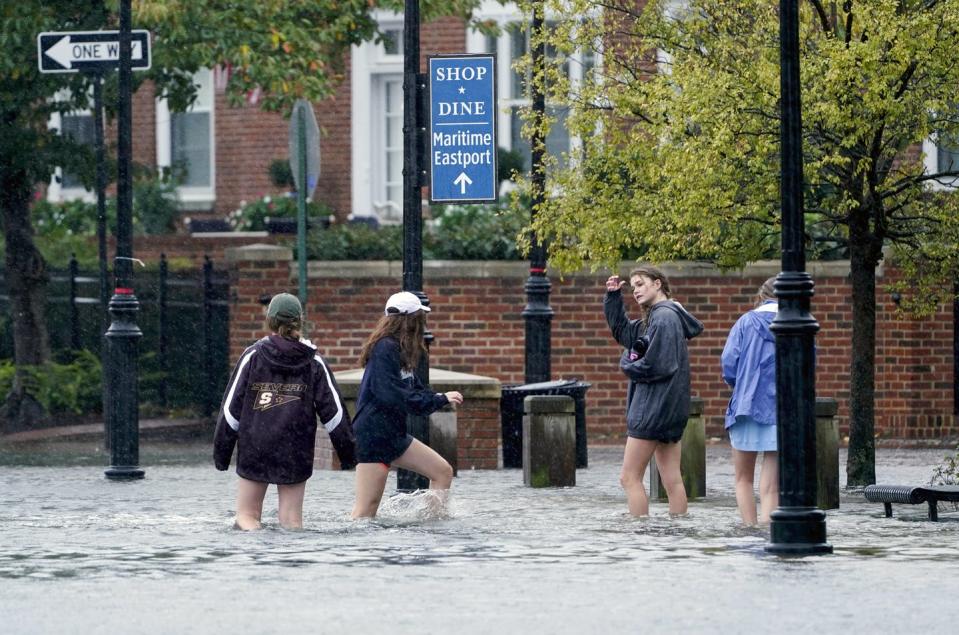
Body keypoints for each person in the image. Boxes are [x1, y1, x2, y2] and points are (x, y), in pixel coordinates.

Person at [213, 293, 356, 530]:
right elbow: (335, 413)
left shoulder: (253, 356)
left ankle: (257, 551)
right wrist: (348, 454)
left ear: (270, 320)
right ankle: (289, 561)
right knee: (291, 520)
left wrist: (222, 455)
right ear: (299, 321)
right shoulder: (313, 362)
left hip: (256, 443)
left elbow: (230, 410)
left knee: (247, 515)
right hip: (295, 447)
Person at [350, 291, 463, 519]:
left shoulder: (400, 351)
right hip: (374, 435)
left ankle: (431, 524)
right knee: (365, 511)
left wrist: (439, 397)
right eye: (421, 318)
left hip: (394, 434)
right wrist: (439, 399)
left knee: (442, 472)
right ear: (411, 320)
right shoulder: (384, 349)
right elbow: (393, 395)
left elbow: (415, 389)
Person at [604, 266, 703, 517]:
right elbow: (625, 333)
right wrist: (614, 297)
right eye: (633, 286)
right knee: (672, 480)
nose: (635, 290)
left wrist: (628, 364)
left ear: (658, 284)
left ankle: (641, 534)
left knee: (629, 477)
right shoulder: (657, 317)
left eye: (640, 284)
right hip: (669, 407)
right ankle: (677, 531)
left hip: (653, 408)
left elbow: (660, 364)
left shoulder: (664, 317)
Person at [721, 277, 779, 525]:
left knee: (743, 478)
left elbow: (729, 363)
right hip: (781, 409)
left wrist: (737, 384)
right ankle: (768, 531)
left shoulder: (745, 322)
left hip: (746, 405)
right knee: (772, 486)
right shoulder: (797, 322)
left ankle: (749, 529)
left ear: (761, 296)